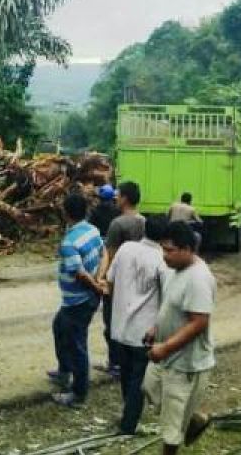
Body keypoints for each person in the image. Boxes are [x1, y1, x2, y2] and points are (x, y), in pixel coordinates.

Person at [143, 221, 216, 455]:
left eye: (170, 250)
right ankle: (194, 417)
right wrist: (156, 329)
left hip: (186, 363)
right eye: (163, 249)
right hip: (167, 356)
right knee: (149, 387)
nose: (164, 255)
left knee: (171, 426)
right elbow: (169, 304)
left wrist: (165, 347)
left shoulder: (199, 278)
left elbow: (199, 322)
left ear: (187, 249)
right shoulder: (173, 270)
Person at [106, 214, 168, 436]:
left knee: (125, 373)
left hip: (119, 326)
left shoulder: (125, 249)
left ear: (144, 229)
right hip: (144, 331)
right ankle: (128, 425)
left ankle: (127, 415)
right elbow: (168, 298)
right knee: (137, 380)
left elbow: (110, 280)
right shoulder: (162, 260)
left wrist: (117, 307)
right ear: (165, 237)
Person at [50, 192, 106, 408]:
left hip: (79, 300)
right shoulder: (92, 230)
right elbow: (105, 253)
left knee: (77, 345)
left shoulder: (69, 243)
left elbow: (79, 274)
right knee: (59, 326)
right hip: (83, 298)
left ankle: (78, 394)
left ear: (65, 213)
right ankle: (64, 371)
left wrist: (95, 286)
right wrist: (100, 280)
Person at [97, 182, 147, 377]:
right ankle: (130, 361)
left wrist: (104, 281)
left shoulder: (118, 224)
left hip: (118, 282)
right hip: (138, 280)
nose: (115, 198)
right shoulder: (144, 221)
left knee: (111, 323)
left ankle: (115, 363)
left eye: (118, 195)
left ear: (125, 198)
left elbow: (110, 255)